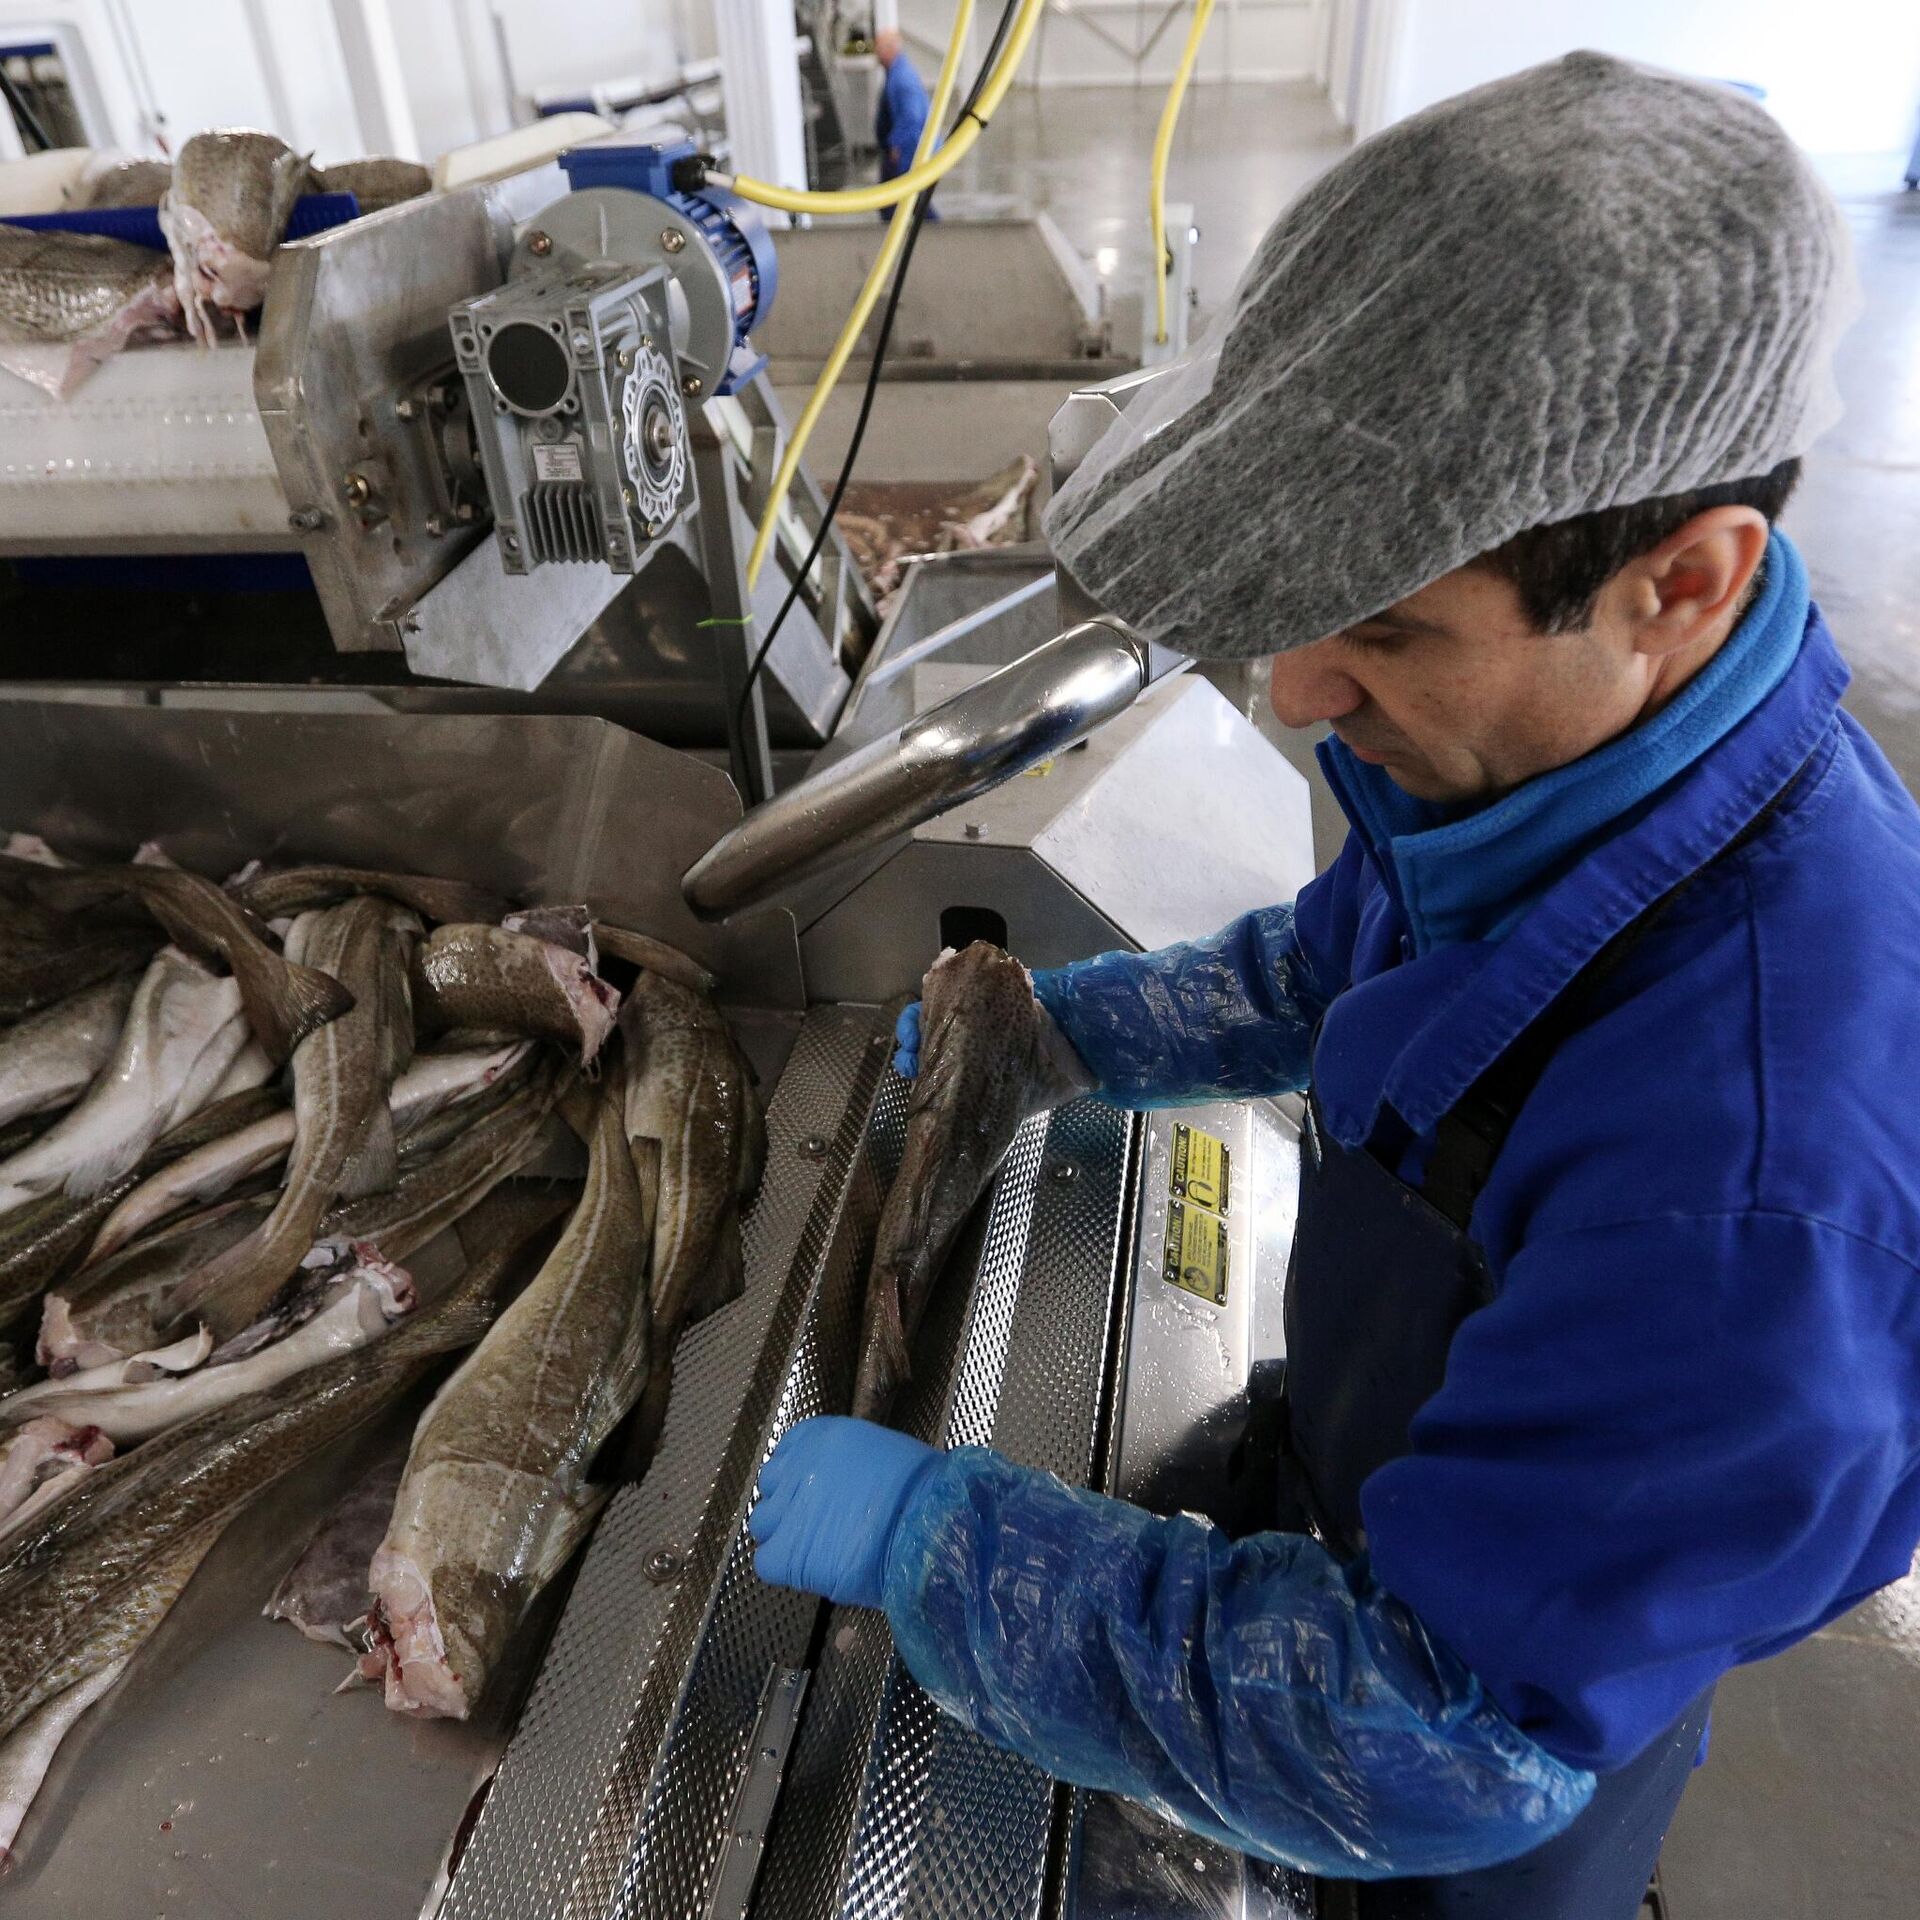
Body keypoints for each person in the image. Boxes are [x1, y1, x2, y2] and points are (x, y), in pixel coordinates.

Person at [749, 52, 1920, 1919]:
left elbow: (1440, 1731)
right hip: (1409, 1459)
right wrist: (1071, 1033)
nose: (1299, 692)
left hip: (1489, 1751)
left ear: (1683, 581)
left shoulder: (1750, 1198)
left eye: (1383, 626)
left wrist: (948, 1548)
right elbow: (1356, 953)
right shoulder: (1552, 760)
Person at [873, 25, 933, 207]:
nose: (876, 53)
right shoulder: (897, 74)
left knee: (903, 204)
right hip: (908, 150)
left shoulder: (902, 79)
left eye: (879, 48)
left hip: (909, 151)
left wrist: (896, 145)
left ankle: (937, 233)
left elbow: (912, 116)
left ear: (890, 49)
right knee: (908, 204)